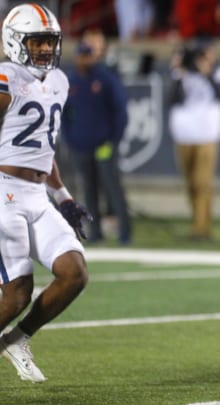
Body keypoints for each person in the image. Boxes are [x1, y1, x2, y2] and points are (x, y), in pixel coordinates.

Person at [0, 3, 91, 383]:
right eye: (36, 42)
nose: (44, 50)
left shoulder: (59, 82)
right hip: (4, 193)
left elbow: (44, 150)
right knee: (17, 293)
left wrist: (65, 198)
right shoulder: (5, 77)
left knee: (74, 273)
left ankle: (17, 339)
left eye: (49, 42)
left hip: (38, 195)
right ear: (15, 41)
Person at [61, 32, 131, 245]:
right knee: (89, 190)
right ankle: (96, 232)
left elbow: (120, 111)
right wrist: (71, 140)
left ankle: (125, 234)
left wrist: (113, 140)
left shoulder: (105, 78)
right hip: (81, 146)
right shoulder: (70, 81)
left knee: (112, 188)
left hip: (103, 144)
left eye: (88, 55)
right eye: (81, 56)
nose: (84, 60)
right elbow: (64, 116)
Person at [168, 41, 220, 241]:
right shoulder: (181, 76)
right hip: (184, 135)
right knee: (191, 184)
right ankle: (197, 223)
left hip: (206, 136)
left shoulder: (217, 73)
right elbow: (172, 99)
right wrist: (178, 71)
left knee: (204, 184)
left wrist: (207, 73)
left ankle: (203, 228)